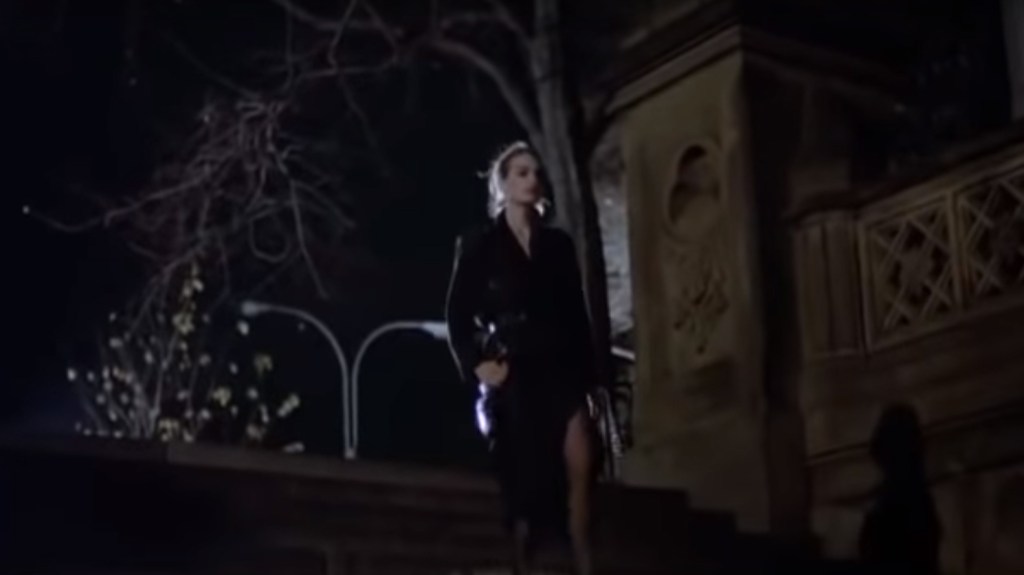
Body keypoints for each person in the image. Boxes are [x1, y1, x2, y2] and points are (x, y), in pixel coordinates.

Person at [445, 141, 601, 575]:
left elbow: (576, 314)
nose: (532, 180)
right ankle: (522, 556)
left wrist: (591, 379)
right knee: (524, 469)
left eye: (536, 172)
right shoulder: (480, 244)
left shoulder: (558, 245)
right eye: (521, 172)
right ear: (503, 183)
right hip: (515, 367)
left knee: (582, 458)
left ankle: (584, 554)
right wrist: (476, 364)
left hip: (560, 365)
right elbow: (457, 314)